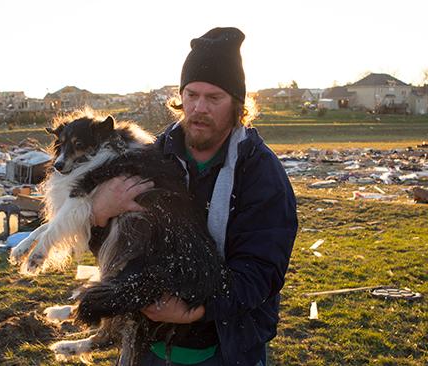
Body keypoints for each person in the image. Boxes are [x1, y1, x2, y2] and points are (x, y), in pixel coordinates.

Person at [91, 27, 298, 366]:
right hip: (147, 347)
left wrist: (196, 310)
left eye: (214, 98)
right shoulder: (149, 160)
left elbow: (262, 272)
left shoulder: (261, 174)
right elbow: (115, 252)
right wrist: (99, 216)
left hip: (227, 348)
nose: (199, 108)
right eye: (191, 95)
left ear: (237, 105)